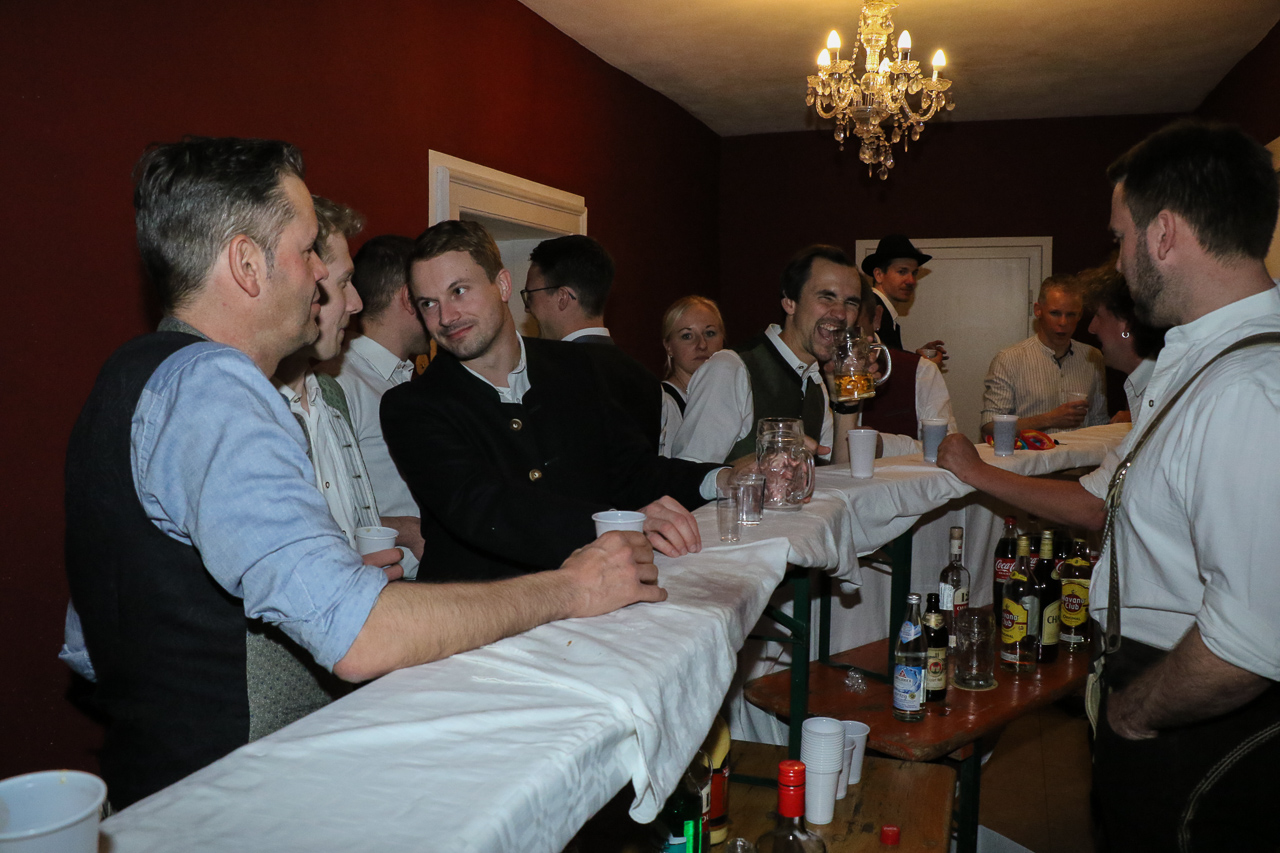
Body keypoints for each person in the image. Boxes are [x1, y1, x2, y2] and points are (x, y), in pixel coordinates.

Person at [64, 137, 664, 809]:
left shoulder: (132, 375)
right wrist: (573, 588)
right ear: (247, 264)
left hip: (157, 790)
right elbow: (358, 634)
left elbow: (87, 643)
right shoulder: (213, 386)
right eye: (307, 250)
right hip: (232, 799)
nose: (322, 279)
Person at [937, 120, 1280, 850]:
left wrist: (1135, 710)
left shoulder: (1248, 389)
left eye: (1121, 238)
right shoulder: (1203, 365)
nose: (1119, 261)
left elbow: (1251, 639)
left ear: (1165, 235)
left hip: (1193, 714)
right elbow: (1103, 503)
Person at [381, 220, 734, 583]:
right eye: (429, 303)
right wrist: (619, 525)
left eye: (459, 291)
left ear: (503, 285)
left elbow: (634, 471)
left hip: (599, 598)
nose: (446, 317)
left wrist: (722, 479)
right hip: (484, 609)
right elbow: (486, 508)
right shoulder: (411, 406)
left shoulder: (575, 366)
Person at [671, 245, 862, 464]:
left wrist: (846, 403)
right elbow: (688, 473)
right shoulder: (730, 369)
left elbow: (841, 474)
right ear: (789, 302)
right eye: (826, 297)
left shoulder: (815, 381)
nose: (840, 313)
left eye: (851, 303)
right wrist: (762, 462)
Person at [327, 233, 429, 569]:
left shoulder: (409, 379)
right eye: (428, 299)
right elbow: (321, 507)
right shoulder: (340, 383)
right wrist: (408, 531)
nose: (440, 313)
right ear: (409, 298)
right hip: (384, 583)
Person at [522, 234, 662, 450]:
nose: (527, 307)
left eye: (530, 295)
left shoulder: (546, 374)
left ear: (562, 297)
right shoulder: (648, 382)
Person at [978, 275, 1107, 437]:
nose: (1063, 322)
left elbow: (1098, 420)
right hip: (1030, 452)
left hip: (1081, 452)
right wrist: (1049, 419)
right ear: (1038, 310)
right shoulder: (1009, 359)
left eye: (1071, 315)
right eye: (1055, 313)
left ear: (1080, 315)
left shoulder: (1092, 357)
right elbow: (990, 426)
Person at [853, 274, 958, 455]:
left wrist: (884, 446)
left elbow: (945, 448)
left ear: (876, 318)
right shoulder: (814, 373)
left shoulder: (920, 371)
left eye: (852, 316)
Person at [1081, 263, 1167, 425]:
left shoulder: (1164, 391)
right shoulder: (1145, 383)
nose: (1091, 328)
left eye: (1098, 316)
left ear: (1126, 325)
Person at [861, 234, 947, 367]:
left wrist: (916, 359)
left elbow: (887, 360)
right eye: (902, 272)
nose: (911, 281)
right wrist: (922, 366)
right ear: (879, 275)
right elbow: (876, 369)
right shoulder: (870, 311)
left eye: (914, 273)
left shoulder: (883, 310)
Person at [658, 295, 725, 457]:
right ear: (669, 347)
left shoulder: (729, 400)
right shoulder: (664, 403)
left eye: (709, 333)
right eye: (687, 336)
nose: (702, 344)